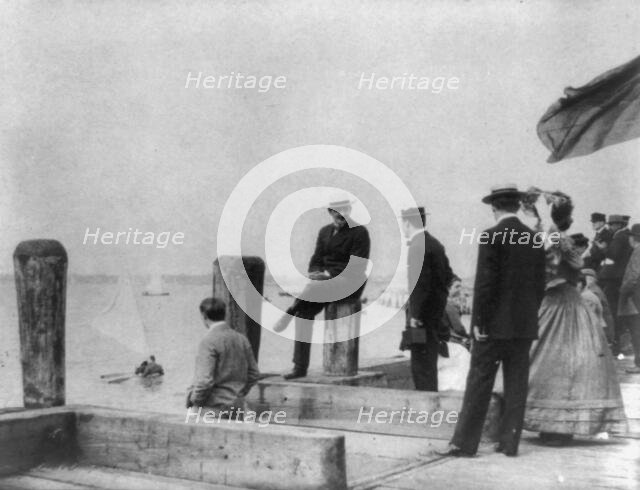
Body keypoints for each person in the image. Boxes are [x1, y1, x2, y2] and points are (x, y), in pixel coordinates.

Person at [439, 184, 546, 457]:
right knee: (517, 383)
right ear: (516, 205)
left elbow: (486, 286)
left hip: (493, 328)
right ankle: (510, 443)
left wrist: (480, 324)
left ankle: (464, 444)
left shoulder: (491, 236)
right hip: (523, 327)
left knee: (479, 383)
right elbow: (539, 287)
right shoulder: (534, 239)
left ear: (494, 207)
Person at [523, 193, 626, 444]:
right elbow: (567, 263)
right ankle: (559, 425)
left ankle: (553, 425)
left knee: (546, 360)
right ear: (567, 219)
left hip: (553, 304)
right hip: (566, 303)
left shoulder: (551, 237)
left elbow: (555, 261)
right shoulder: (557, 238)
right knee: (570, 364)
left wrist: (539, 221)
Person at [273, 198, 370, 380]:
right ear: (330, 212)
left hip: (349, 282)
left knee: (312, 291)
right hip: (323, 285)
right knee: (304, 312)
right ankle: (300, 367)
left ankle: (288, 313)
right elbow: (316, 258)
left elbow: (358, 266)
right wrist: (315, 273)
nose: (341, 215)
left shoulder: (360, 232)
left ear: (349, 210)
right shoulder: (324, 231)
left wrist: (326, 276)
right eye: (336, 212)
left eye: (344, 211)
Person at [398, 206, 452, 391]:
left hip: (420, 319)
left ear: (407, 223)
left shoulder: (417, 246)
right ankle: (431, 405)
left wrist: (415, 315)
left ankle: (425, 410)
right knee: (429, 363)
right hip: (434, 317)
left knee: (420, 365)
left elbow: (420, 285)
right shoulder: (435, 244)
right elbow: (448, 277)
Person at [186, 297, 260, 416]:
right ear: (225, 315)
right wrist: (239, 394)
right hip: (238, 406)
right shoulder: (242, 339)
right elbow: (254, 374)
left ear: (204, 316)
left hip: (213, 408)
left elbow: (204, 381)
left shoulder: (208, 341)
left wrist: (194, 401)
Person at [599, 214, 633, 356]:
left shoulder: (619, 237)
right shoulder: (624, 236)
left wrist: (603, 249)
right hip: (620, 277)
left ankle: (616, 344)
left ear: (617, 225)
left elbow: (613, 254)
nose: (610, 227)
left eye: (611, 225)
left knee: (612, 310)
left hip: (615, 279)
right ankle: (620, 343)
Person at [618, 224, 640, 374]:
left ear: (634, 238)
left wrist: (623, 292)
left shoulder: (637, 252)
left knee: (636, 331)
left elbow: (632, 277)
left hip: (635, 297)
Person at [582, 268, 615, 344]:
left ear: (590, 279)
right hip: (602, 326)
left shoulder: (593, 292)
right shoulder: (594, 289)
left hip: (602, 328)